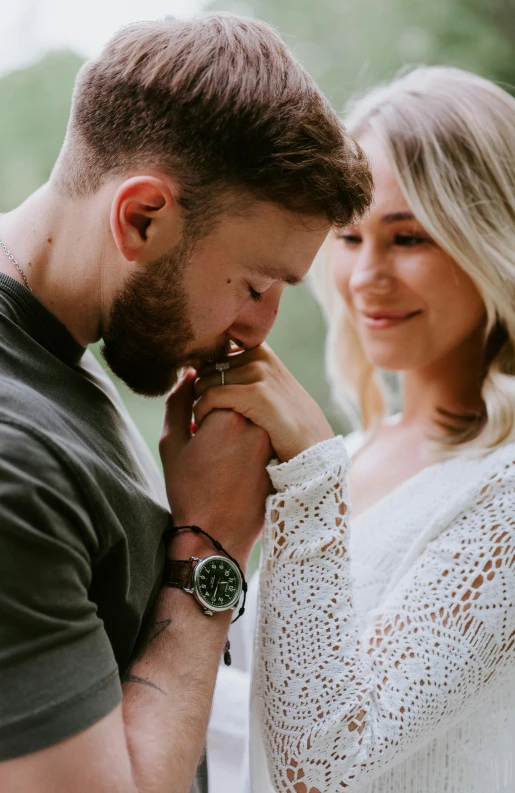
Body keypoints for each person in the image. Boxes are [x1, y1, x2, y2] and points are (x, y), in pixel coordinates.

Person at [0, 13, 373, 793]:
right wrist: (212, 549)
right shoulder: (16, 458)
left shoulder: (64, 350)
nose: (255, 332)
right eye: (255, 284)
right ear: (141, 218)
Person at [197, 66, 515, 792]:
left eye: (407, 237)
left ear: (488, 238)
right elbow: (262, 713)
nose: (366, 274)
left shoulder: (502, 487)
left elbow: (321, 761)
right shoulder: (363, 450)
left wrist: (309, 477)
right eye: (347, 235)